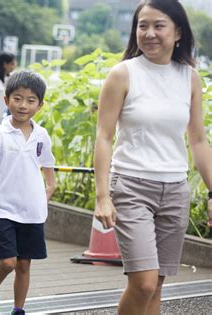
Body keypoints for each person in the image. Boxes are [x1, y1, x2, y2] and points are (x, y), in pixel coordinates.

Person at [93, 1, 212, 314]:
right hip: (131, 186)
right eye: (142, 25)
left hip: (174, 190)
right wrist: (103, 196)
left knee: (156, 285)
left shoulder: (189, 77)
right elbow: (104, 137)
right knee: (143, 282)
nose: (149, 33)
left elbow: (198, 139)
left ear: (178, 32)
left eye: (158, 25)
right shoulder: (123, 74)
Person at [0, 70, 56, 315]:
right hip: (3, 209)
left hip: (32, 212)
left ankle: (19, 309)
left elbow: (48, 170)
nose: (23, 105)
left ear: (40, 105)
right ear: (6, 100)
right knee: (8, 262)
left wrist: (47, 191)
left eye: (31, 100)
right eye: (17, 98)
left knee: (25, 264)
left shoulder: (41, 135)